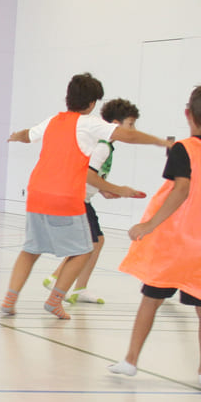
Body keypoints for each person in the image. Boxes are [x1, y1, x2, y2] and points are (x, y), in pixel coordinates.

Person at [108, 82, 201, 391]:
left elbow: (181, 189)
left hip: (175, 242)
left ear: (188, 114)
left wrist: (149, 225)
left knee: (151, 300)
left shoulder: (183, 149)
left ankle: (131, 360)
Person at [3, 73, 167, 320]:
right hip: (65, 196)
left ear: (67, 98)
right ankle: (55, 300)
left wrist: (17, 135)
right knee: (85, 250)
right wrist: (161, 142)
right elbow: (129, 135)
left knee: (30, 250)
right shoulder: (89, 123)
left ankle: (9, 300)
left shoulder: (52, 120)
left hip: (37, 193)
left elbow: (28, 135)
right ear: (92, 104)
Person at [42, 98, 142, 306]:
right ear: (115, 125)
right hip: (76, 199)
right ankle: (56, 280)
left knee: (96, 242)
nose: (132, 130)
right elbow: (87, 175)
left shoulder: (105, 146)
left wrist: (105, 190)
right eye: (130, 124)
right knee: (90, 244)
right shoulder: (103, 146)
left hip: (82, 198)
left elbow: (92, 176)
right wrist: (118, 189)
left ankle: (79, 288)